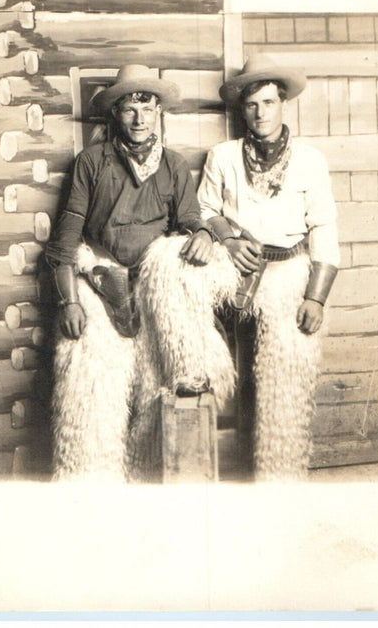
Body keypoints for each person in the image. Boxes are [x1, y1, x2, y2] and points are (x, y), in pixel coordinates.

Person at [45, 64, 237, 481]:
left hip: (153, 289)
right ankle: (92, 482)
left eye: (147, 108)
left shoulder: (173, 165)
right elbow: (64, 242)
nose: (139, 118)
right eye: (129, 108)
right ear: (115, 113)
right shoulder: (91, 163)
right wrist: (70, 300)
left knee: (165, 383)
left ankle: (159, 477)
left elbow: (190, 217)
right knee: (92, 390)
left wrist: (203, 234)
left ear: (158, 113)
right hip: (100, 283)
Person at [197, 53, 340, 480]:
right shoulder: (222, 155)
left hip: (290, 275)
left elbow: (324, 227)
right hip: (238, 277)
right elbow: (203, 210)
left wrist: (315, 297)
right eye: (252, 105)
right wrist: (227, 238)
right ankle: (242, 473)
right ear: (242, 109)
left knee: (284, 382)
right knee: (242, 381)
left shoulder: (310, 159)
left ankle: (282, 472)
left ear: (283, 104)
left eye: (268, 103)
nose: (260, 113)